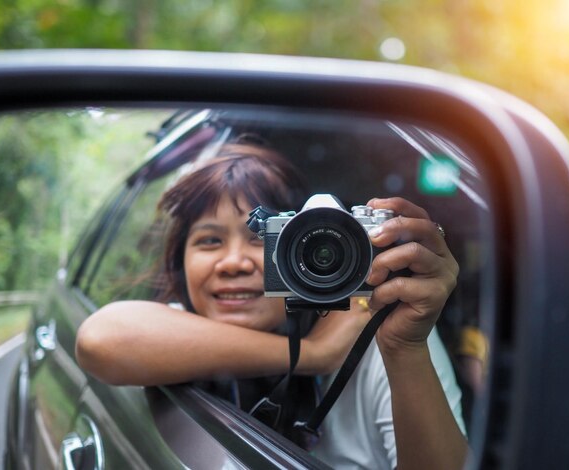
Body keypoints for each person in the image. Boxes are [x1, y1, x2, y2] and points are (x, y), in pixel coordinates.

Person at [76, 136, 467, 469]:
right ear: (179, 265)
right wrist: (312, 353)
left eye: (263, 238)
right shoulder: (171, 334)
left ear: (311, 242)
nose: (233, 263)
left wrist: (404, 350)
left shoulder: (379, 338)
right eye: (209, 241)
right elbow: (99, 339)